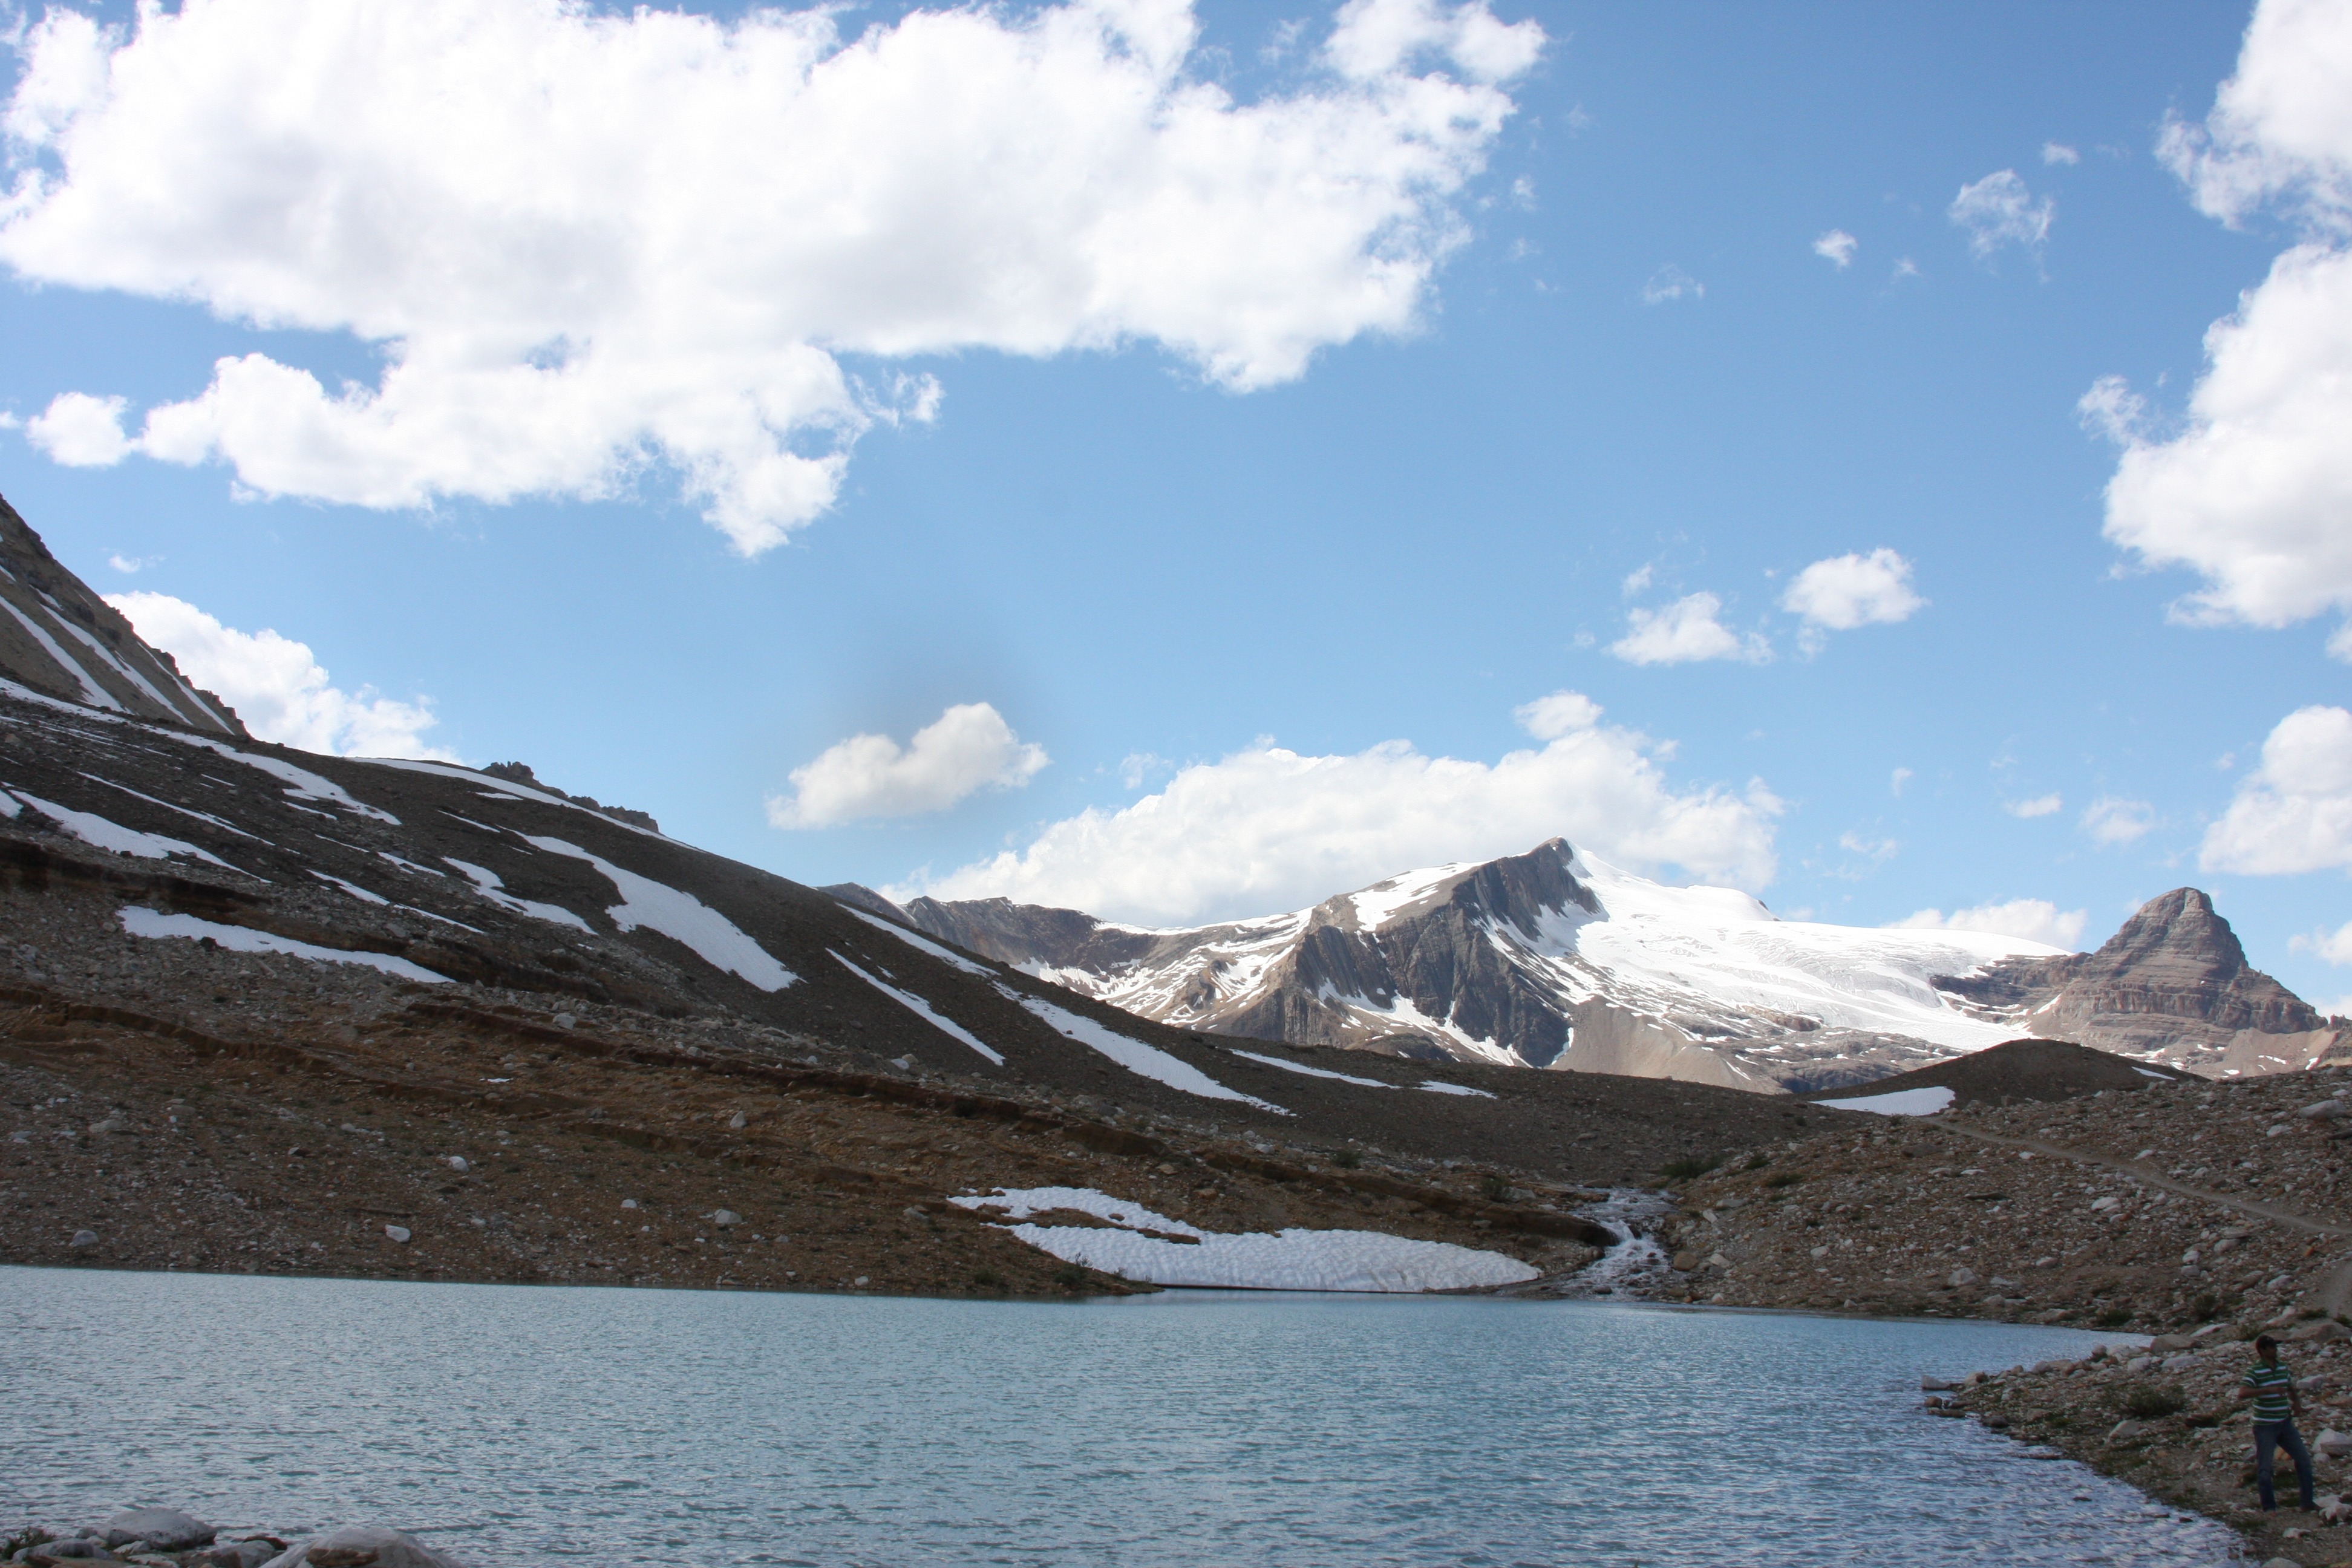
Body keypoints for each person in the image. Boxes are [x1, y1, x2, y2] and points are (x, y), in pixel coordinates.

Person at [2237, 1333, 2316, 1511]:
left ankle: (2307, 1502)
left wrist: (2296, 1403)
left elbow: (2290, 1388)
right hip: (2265, 1426)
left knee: (2304, 1460)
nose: (2276, 1350)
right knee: (2265, 1468)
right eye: (2272, 1347)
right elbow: (2242, 1393)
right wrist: (2267, 1390)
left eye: (2275, 1346)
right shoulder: (2255, 1371)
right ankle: (2269, 1507)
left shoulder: (2282, 1367)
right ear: (2263, 1351)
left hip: (2284, 1422)